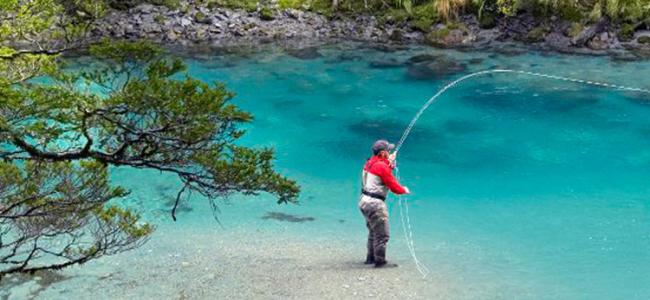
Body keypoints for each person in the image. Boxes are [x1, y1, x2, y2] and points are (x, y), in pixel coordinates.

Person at [359, 139, 410, 268]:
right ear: (382, 153)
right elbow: (393, 186)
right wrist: (403, 190)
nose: (390, 151)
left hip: (364, 201)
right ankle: (380, 262)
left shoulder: (370, 162)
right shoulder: (381, 166)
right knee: (382, 235)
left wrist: (389, 161)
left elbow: (382, 168)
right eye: (388, 150)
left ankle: (370, 258)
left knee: (373, 232)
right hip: (375, 204)